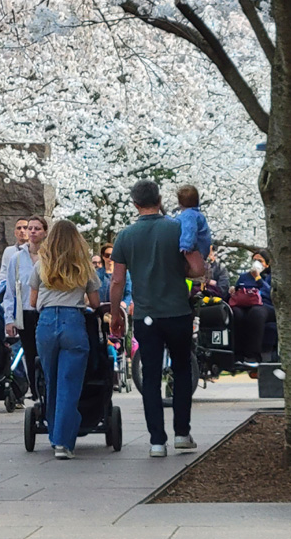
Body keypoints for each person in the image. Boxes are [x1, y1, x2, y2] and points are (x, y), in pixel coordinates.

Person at [110, 179, 204, 457]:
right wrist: (178, 273)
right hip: (177, 311)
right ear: (160, 199)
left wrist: (115, 313)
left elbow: (116, 281)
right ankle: (182, 433)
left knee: (149, 376)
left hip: (146, 314)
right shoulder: (177, 228)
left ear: (135, 203)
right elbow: (197, 268)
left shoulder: (125, 236)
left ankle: (156, 441)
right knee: (183, 369)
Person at [30, 220, 101, 460]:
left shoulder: (41, 265)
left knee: (51, 381)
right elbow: (94, 303)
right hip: (73, 322)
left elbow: (32, 302)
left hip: (47, 322)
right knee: (69, 385)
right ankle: (63, 442)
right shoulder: (84, 267)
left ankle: (53, 435)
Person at [4, 214, 46, 400]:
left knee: (46, 351)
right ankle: (35, 393)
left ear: (45, 232)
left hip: (45, 311)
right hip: (26, 312)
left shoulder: (50, 257)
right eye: (30, 228)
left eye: (37, 228)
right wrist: (9, 319)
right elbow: (11, 291)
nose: (32, 231)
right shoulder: (17, 258)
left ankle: (47, 387)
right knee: (29, 353)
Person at [229, 250, 275, 367]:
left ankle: (253, 355)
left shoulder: (271, 277)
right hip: (245, 305)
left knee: (256, 313)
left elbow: (271, 294)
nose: (256, 263)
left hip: (265, 305)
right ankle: (237, 355)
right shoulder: (244, 277)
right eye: (254, 260)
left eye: (260, 261)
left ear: (267, 264)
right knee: (236, 313)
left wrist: (258, 278)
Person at [0, 217, 29, 300]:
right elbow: (3, 275)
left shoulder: (36, 251)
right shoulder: (9, 251)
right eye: (19, 228)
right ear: (15, 233)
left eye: (25, 228)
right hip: (12, 294)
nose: (22, 231)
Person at [175, 184, 213, 261]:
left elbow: (190, 229)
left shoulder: (189, 215)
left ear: (180, 203)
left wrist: (186, 246)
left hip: (195, 251)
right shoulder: (197, 214)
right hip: (202, 250)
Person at [99, 242, 132, 312]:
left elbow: (129, 292)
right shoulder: (96, 275)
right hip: (102, 311)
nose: (110, 258)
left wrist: (124, 303)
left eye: (112, 255)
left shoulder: (125, 273)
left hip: (120, 310)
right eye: (107, 255)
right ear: (103, 256)